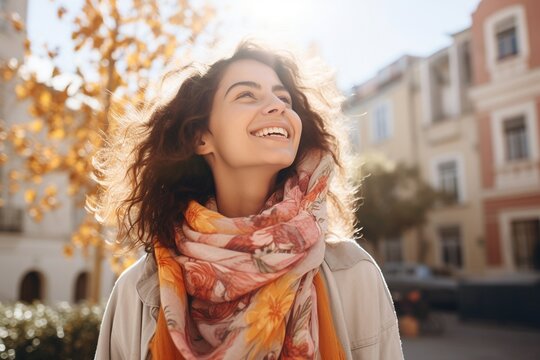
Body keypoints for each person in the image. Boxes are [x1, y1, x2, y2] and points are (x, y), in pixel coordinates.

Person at [93, 41, 403, 359]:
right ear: (202, 137)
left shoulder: (354, 274)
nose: (278, 106)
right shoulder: (136, 293)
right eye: (246, 95)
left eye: (284, 97)